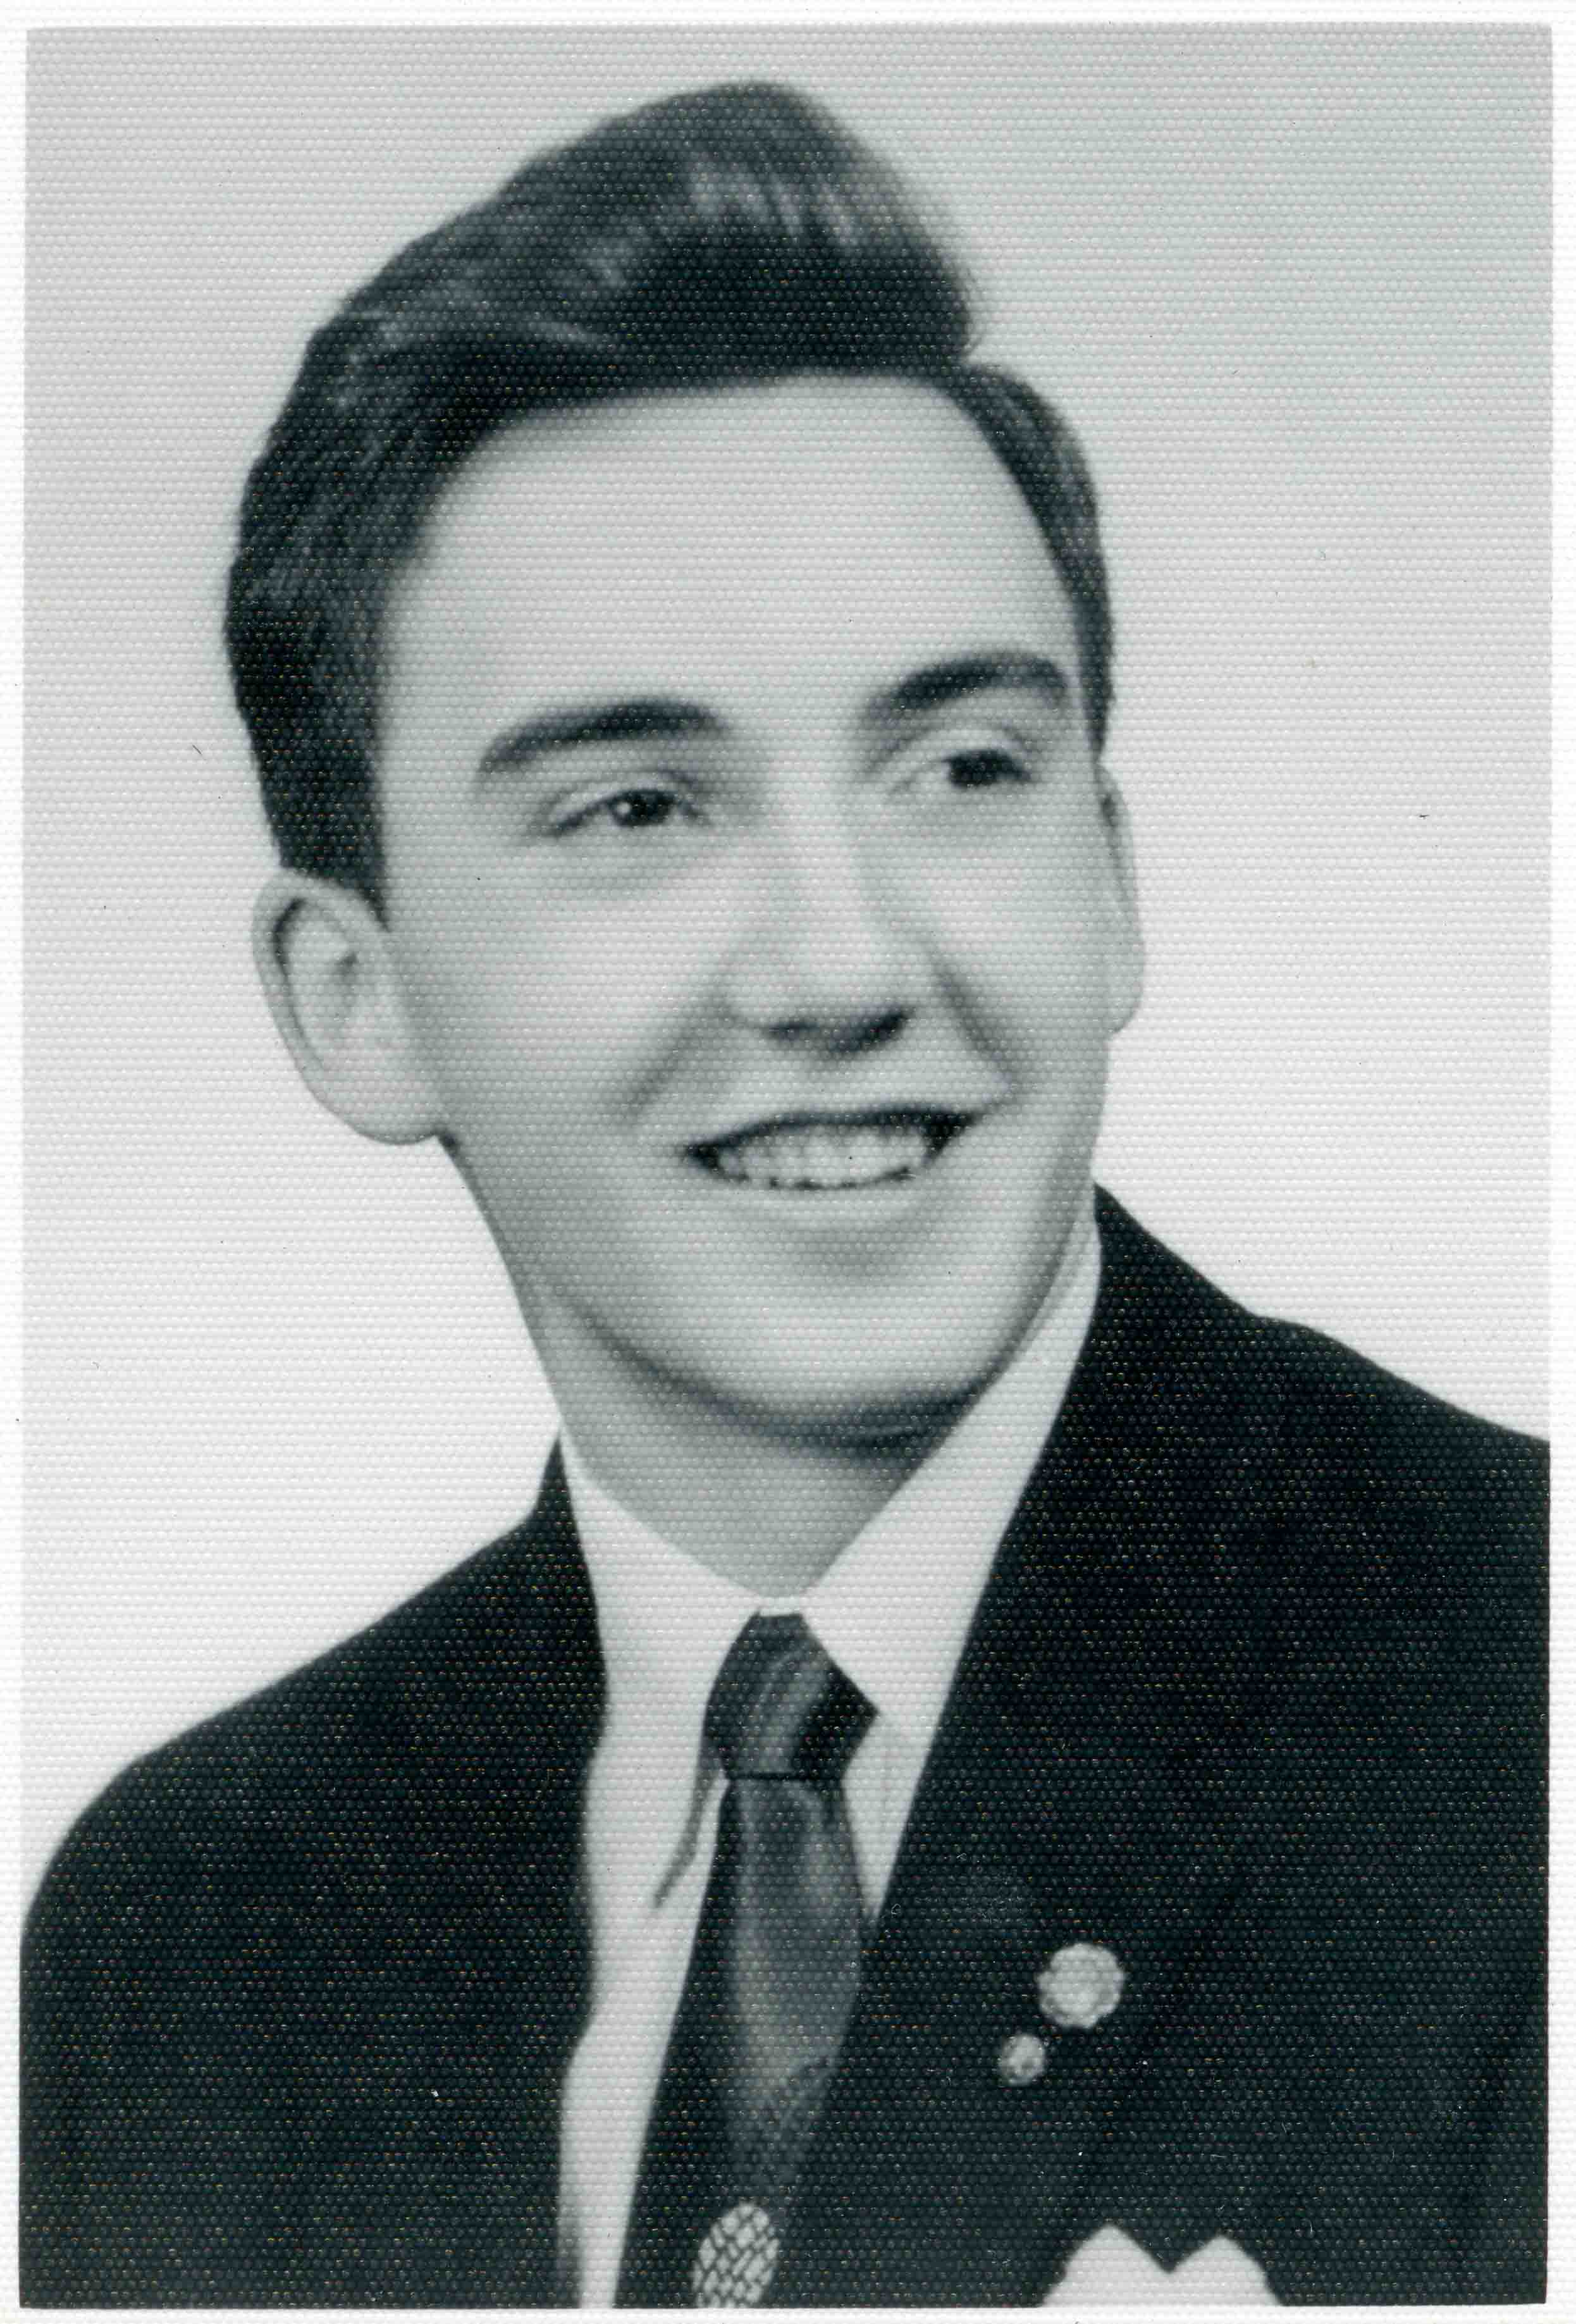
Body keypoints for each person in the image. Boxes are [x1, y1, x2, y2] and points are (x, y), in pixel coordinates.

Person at [21, 82, 1544, 2308]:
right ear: (355, 1001)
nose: (845, 962)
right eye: (639, 806)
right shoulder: (187, 1933)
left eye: (961, 771)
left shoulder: (1528, 1719)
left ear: (1108, 883)